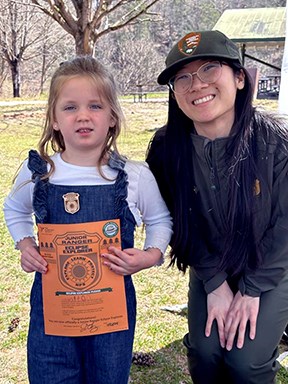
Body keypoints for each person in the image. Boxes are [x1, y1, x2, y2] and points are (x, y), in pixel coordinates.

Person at [3, 56, 172, 384]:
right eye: (70, 107)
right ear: (54, 118)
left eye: (95, 106)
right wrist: (25, 245)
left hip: (111, 315)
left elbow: (160, 219)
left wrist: (150, 255)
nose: (83, 115)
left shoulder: (134, 176)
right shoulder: (39, 172)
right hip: (53, 312)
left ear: (112, 117)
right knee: (51, 374)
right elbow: (15, 210)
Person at [146, 30, 288, 383]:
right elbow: (175, 221)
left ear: (239, 77)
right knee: (205, 354)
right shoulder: (166, 151)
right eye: (182, 77)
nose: (196, 85)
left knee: (245, 362)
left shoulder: (277, 143)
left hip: (272, 265)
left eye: (210, 69)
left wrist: (252, 290)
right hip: (210, 264)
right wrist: (214, 283)